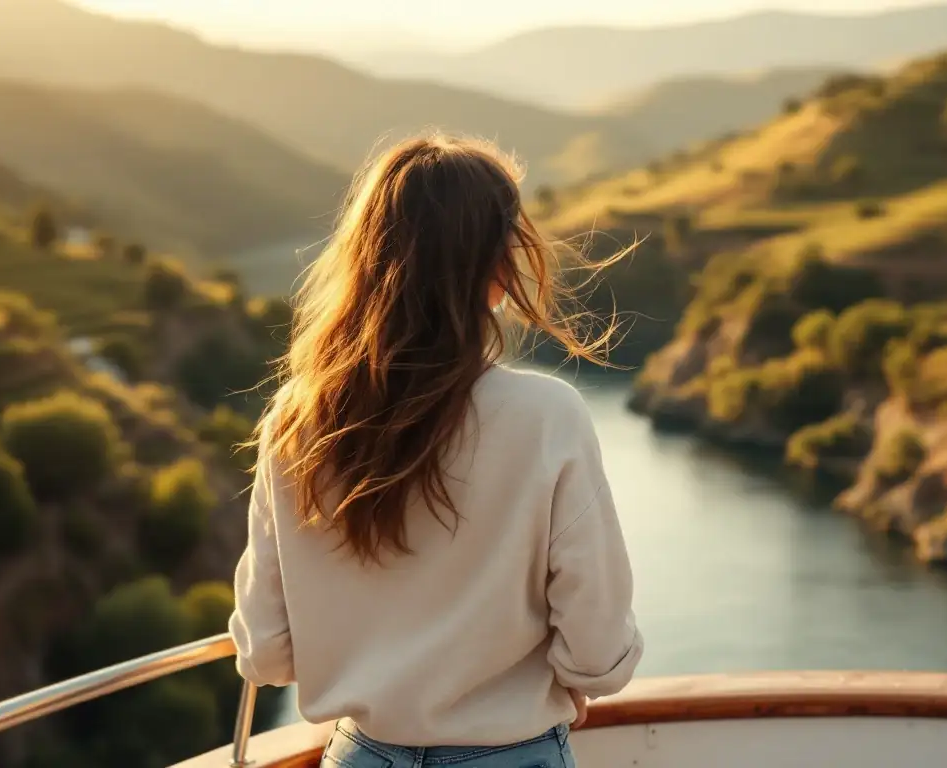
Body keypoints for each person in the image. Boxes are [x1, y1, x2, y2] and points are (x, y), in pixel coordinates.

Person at [229, 134, 644, 768]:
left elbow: (268, 653)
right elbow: (598, 653)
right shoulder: (547, 417)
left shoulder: (297, 417)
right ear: (499, 266)